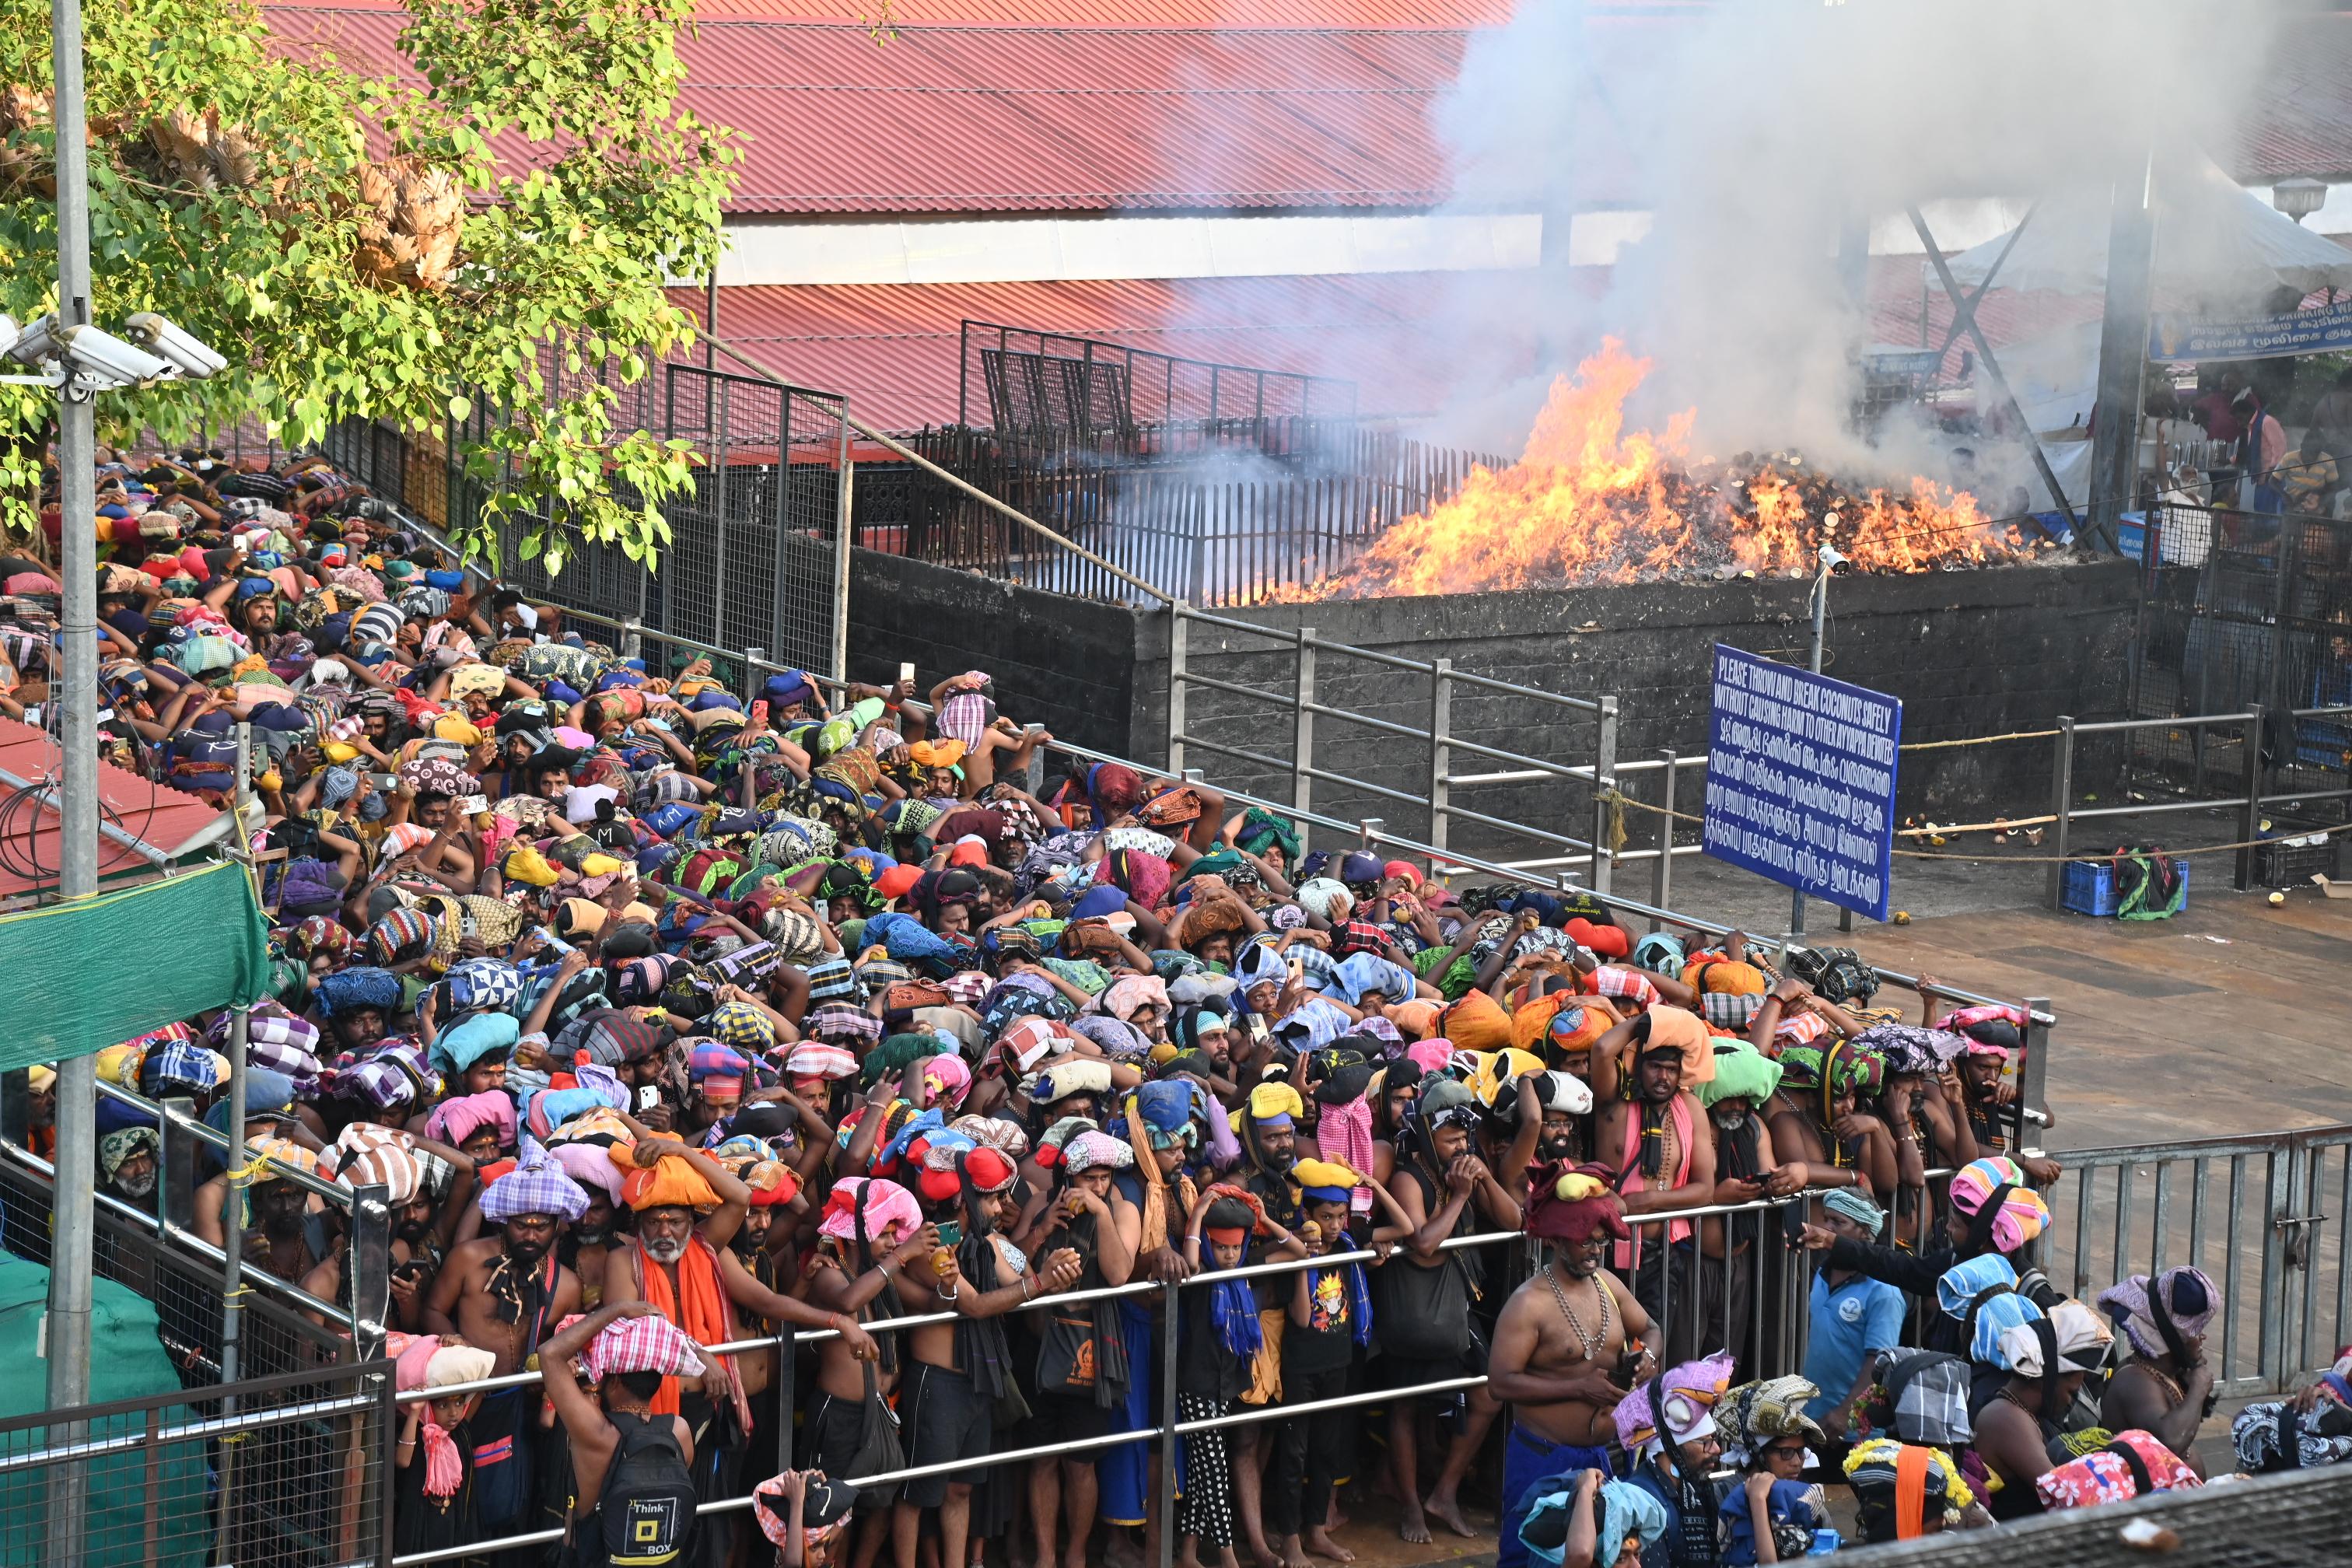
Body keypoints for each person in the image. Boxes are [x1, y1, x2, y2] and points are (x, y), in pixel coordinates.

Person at [1486, 1164, 1657, 1568]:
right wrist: (1579, 1388)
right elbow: (1500, 1383)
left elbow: (1650, 1327)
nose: (1595, 1251)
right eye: (1585, 1242)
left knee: (1604, 1555)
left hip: (1604, 1456)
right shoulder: (1528, 1303)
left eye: (1600, 1242)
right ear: (1559, 1241)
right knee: (1525, 1558)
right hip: (1543, 1460)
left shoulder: (1610, 1286)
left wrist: (1648, 1356)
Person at [534, 1300, 702, 1568]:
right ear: (658, 1381)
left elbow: (549, 1354)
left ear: (614, 1382)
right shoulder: (679, 1431)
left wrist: (617, 1310)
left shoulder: (597, 1433)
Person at [1795, 1188, 1905, 1449]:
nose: (1827, 1229)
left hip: (1856, 1432)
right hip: (1814, 1420)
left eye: (1838, 1222)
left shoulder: (1883, 1290)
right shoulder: (1822, 1272)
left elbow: (1878, 1363)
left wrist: (1846, 1413)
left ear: (1865, 1232)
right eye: (1827, 1219)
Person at [2095, 1268, 2219, 1465]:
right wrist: (2198, 1389)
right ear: (2170, 1336)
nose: (2203, 1337)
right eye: (2197, 1331)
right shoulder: (2134, 1382)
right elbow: (2168, 1443)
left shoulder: (2159, 1374)